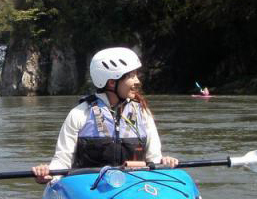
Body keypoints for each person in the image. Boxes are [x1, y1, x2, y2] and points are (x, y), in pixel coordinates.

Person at [32, 47, 178, 184]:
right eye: (131, 76)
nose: (137, 81)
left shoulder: (143, 113)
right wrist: (49, 173)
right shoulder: (79, 114)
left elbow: (154, 159)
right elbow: (62, 161)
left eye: (136, 75)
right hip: (90, 188)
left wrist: (164, 162)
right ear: (111, 82)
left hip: (135, 186)